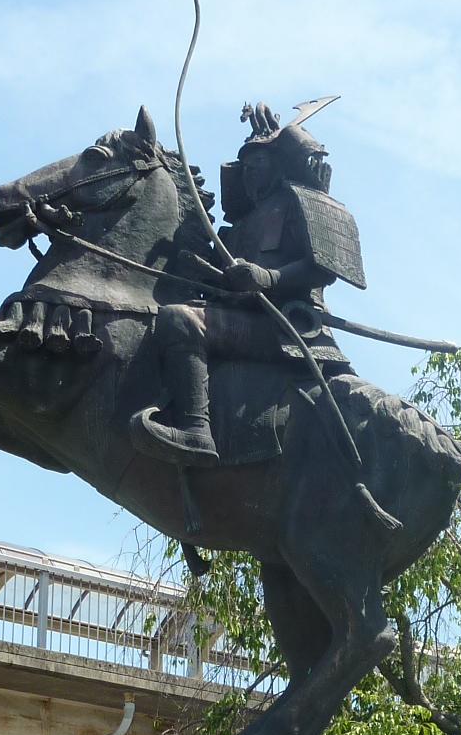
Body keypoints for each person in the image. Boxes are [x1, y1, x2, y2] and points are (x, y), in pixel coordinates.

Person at [129, 105, 365, 465]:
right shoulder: (239, 227)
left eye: (259, 165)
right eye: (247, 167)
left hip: (285, 326)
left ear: (277, 164)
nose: (251, 174)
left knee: (180, 320)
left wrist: (268, 277)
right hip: (242, 316)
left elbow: (324, 270)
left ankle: (196, 431)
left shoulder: (298, 203)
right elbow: (227, 285)